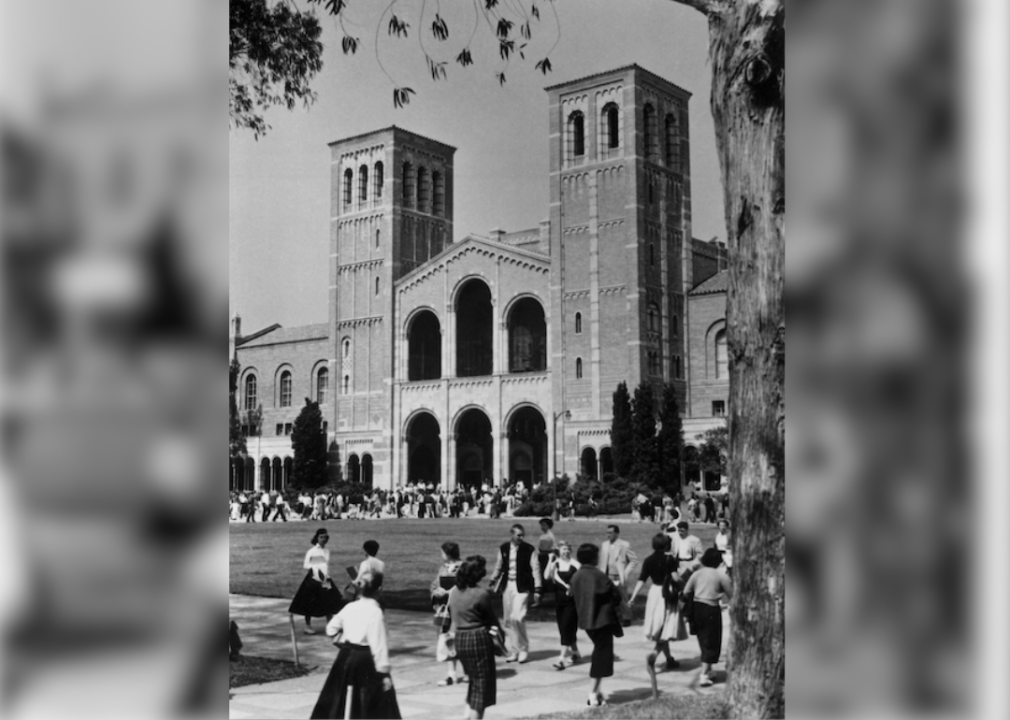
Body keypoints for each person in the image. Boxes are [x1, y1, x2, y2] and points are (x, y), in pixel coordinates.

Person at [311, 571, 401, 719]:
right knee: (372, 702)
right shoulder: (375, 612)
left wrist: (344, 638)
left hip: (345, 657)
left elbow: (330, 629)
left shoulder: (350, 607)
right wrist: (384, 673)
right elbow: (378, 645)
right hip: (366, 660)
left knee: (339, 697)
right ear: (379, 590)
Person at [447, 556, 503, 720]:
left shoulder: (454, 592)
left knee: (474, 681)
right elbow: (491, 619)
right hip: (478, 639)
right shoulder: (481, 594)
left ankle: (468, 715)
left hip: (460, 639)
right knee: (482, 686)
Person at [570, 543, 623, 707]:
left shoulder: (576, 575)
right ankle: (592, 693)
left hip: (586, 621)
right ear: (593, 558)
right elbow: (616, 597)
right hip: (602, 621)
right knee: (601, 656)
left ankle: (598, 690)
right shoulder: (599, 575)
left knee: (600, 653)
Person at [628, 534, 685, 673]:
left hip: (654, 593)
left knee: (660, 627)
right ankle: (654, 655)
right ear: (665, 545)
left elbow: (642, 579)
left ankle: (669, 659)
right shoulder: (669, 559)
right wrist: (684, 583)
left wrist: (633, 597)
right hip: (667, 594)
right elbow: (675, 578)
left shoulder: (648, 560)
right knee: (665, 628)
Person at [488, 523, 542, 663]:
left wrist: (537, 589)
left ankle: (523, 648)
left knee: (518, 617)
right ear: (511, 534)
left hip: (522, 587)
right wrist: (493, 579)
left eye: (522, 535)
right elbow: (499, 566)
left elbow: (536, 570)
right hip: (508, 586)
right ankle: (514, 650)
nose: (521, 538)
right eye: (518, 535)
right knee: (507, 620)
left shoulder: (529, 550)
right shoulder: (504, 548)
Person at [682, 548, 732, 687]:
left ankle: (708, 669)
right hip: (711, 609)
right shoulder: (721, 575)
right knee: (712, 639)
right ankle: (704, 674)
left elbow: (686, 592)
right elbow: (731, 594)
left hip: (697, 608)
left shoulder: (696, 574)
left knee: (702, 638)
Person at [288, 529, 344, 635]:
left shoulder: (327, 551)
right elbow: (306, 565)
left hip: (325, 579)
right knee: (309, 601)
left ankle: (330, 624)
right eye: (321, 537)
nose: (324, 539)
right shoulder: (312, 551)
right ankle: (308, 626)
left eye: (326, 537)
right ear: (317, 538)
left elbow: (325, 564)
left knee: (330, 599)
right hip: (313, 579)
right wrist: (316, 564)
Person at [430, 542, 465, 687]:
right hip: (446, 609)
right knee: (447, 639)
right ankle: (452, 673)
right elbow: (434, 584)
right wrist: (436, 591)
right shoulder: (443, 568)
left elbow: (466, 585)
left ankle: (468, 671)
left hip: (459, 608)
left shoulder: (462, 567)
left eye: (442, 552)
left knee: (461, 638)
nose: (441, 555)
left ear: (448, 553)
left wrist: (451, 592)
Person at [544, 540, 581, 669]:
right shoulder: (556, 564)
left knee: (567, 626)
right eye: (563, 549)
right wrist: (550, 560)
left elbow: (580, 580)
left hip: (572, 601)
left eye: (567, 549)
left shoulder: (575, 564)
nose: (565, 551)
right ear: (559, 551)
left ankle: (561, 659)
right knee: (564, 627)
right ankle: (575, 652)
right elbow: (546, 576)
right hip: (559, 600)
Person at [598, 524, 637, 626]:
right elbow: (602, 561)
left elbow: (633, 561)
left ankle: (626, 618)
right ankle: (610, 618)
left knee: (623, 598)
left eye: (611, 533)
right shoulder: (604, 545)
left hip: (619, 576)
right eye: (607, 533)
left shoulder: (624, 545)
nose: (608, 535)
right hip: (608, 575)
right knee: (608, 598)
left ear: (617, 534)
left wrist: (625, 573)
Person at [536, 518, 558, 588]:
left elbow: (543, 548)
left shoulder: (547, 536)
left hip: (545, 557)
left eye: (544, 525)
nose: (542, 527)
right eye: (541, 525)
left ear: (548, 526)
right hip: (545, 556)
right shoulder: (545, 535)